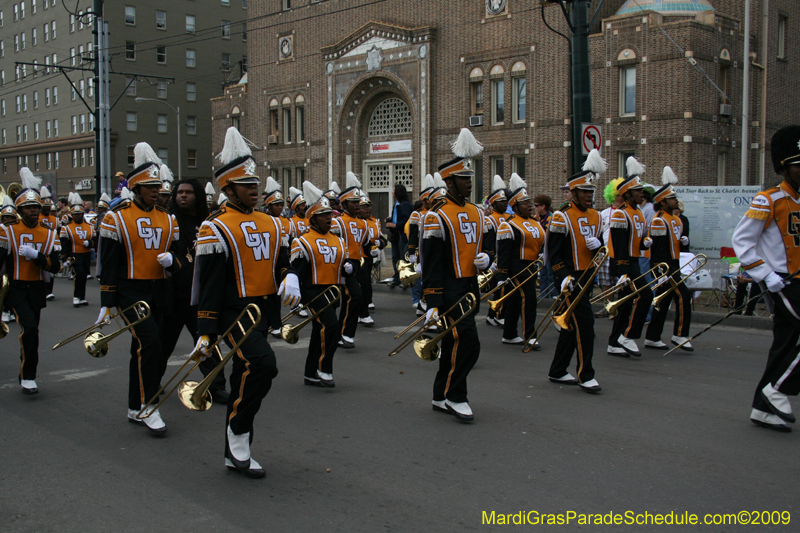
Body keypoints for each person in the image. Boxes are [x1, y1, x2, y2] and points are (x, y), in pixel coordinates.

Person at [195, 127, 297, 477]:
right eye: (246, 185)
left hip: (262, 312)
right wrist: (205, 331)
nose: (255, 189)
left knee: (245, 374)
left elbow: (281, 259)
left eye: (256, 184)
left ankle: (234, 447)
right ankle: (238, 433)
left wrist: (289, 274)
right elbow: (208, 285)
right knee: (264, 365)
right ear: (228, 189)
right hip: (231, 313)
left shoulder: (272, 222)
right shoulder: (215, 228)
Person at [98, 142, 182, 436]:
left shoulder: (168, 219)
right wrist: (107, 302)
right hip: (130, 291)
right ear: (136, 189)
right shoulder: (116, 217)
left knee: (143, 347)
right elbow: (107, 263)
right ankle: (149, 406)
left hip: (160, 290)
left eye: (158, 186)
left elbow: (182, 256)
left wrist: (173, 261)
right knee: (151, 344)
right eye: (150, 187)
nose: (156, 191)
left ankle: (135, 406)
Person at [732, 125, 800, 433]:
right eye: (799, 164)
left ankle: (763, 407)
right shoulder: (768, 200)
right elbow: (742, 242)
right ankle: (777, 391)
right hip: (781, 281)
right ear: (784, 167)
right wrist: (766, 274)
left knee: (785, 344)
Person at [421, 128, 490, 422]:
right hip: (448, 287)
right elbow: (431, 261)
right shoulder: (437, 214)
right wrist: (433, 301)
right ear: (449, 181)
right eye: (463, 179)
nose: (469, 183)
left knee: (453, 342)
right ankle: (455, 395)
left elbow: (485, 246)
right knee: (469, 342)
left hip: (469, 285)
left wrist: (488, 258)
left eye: (470, 178)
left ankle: (440, 394)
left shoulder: (477, 211)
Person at [158, 177, 229, 404]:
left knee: (207, 342)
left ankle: (215, 386)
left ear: (197, 196)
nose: (183, 196)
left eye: (188, 192)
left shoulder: (208, 224)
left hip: (199, 298)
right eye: (179, 192)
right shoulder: (168, 222)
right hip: (174, 295)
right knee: (162, 344)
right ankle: (151, 382)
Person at [546, 150, 606, 393]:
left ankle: (558, 370)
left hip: (588, 274)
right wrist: (563, 277)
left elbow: (602, 248)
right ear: (573, 193)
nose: (589, 196)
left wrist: (600, 245)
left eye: (591, 192)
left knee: (570, 326)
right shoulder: (562, 216)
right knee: (586, 324)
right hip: (572, 278)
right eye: (584, 192)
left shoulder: (597, 216)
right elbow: (553, 253)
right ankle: (585, 374)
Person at [0, 168, 61, 394]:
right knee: (30, 328)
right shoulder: (7, 231)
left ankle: (27, 371)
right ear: (20, 209)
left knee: (31, 332)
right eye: (28, 207)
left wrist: (38, 258)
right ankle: (28, 376)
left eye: (35, 207)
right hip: (15, 287)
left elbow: (56, 265)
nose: (33, 211)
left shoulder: (49, 233)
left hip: (36, 288)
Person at [292, 180, 352, 388]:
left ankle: (310, 373)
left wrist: (347, 268)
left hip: (332, 291)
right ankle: (324, 368)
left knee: (320, 333)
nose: (329, 218)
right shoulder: (302, 241)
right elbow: (297, 273)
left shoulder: (337, 239)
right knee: (331, 327)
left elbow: (342, 264)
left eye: (330, 215)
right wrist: (297, 299)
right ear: (313, 219)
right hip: (313, 293)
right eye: (324, 216)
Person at [606, 157, 654, 358]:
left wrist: (645, 243)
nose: (641, 193)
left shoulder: (638, 212)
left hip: (634, 260)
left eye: (641, 190)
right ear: (626, 193)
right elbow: (618, 244)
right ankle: (629, 335)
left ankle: (614, 342)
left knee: (625, 303)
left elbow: (638, 238)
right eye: (637, 190)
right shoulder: (620, 214)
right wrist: (623, 269)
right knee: (646, 295)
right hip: (623, 263)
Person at [644, 167, 693, 351]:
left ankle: (652, 336)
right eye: (672, 198)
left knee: (663, 300)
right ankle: (680, 334)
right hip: (664, 265)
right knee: (683, 295)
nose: (676, 201)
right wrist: (659, 270)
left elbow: (678, 244)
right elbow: (657, 249)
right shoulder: (659, 220)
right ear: (663, 202)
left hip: (674, 263)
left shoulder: (676, 220)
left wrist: (685, 242)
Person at [495, 174, 545, 349]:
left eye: (530, 203)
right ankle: (530, 335)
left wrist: (543, 254)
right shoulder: (508, 224)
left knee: (516, 301)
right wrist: (502, 275)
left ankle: (509, 334)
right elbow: (504, 252)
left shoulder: (535, 222)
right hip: (516, 266)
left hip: (532, 266)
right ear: (515, 206)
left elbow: (541, 242)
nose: (530, 206)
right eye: (525, 204)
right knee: (529, 299)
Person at [332, 172, 374, 348]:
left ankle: (342, 333)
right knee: (354, 296)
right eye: (353, 203)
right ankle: (344, 333)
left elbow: (365, 243)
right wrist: (343, 261)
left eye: (358, 202)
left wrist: (374, 248)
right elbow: (332, 243)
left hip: (356, 264)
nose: (357, 206)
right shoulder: (337, 222)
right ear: (344, 204)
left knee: (354, 296)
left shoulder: (363, 223)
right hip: (343, 264)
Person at [263, 177, 295, 338]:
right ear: (269, 205)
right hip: (264, 261)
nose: (280, 207)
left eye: (281, 204)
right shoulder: (264, 220)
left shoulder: (285, 221)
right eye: (276, 205)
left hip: (280, 259)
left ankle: (275, 323)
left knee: (275, 294)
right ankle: (269, 323)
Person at [60, 192, 95, 307]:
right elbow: (64, 244)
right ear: (72, 215)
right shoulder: (67, 228)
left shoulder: (90, 227)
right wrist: (65, 257)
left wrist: (89, 243)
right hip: (75, 254)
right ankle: (76, 296)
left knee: (84, 275)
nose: (77, 216)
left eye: (79, 214)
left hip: (86, 254)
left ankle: (82, 297)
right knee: (78, 274)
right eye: (75, 214)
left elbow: (96, 242)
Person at [407, 175, 435, 315]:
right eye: (429, 199)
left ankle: (423, 304)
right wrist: (412, 253)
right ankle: (420, 303)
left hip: (431, 250)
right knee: (422, 280)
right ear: (423, 201)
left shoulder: (435, 213)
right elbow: (413, 235)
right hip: (419, 251)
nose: (431, 202)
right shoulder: (416, 215)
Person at [596, 179, 624, 318]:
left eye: (621, 195)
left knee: (622, 282)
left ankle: (620, 307)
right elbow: (599, 233)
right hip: (607, 252)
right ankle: (607, 307)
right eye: (616, 195)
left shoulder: (627, 212)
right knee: (606, 282)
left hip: (622, 253)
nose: (619, 198)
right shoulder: (604, 214)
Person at [484, 175, 509, 328]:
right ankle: (496, 315)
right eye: (501, 202)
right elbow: (488, 243)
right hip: (496, 258)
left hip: (507, 256)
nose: (505, 204)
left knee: (504, 288)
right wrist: (493, 259)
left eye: (506, 201)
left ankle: (494, 315)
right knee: (499, 288)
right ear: (493, 204)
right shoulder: (489, 219)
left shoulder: (509, 217)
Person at [358, 194, 385, 326]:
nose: (367, 210)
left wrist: (379, 244)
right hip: (356, 257)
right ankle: (360, 312)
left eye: (368, 207)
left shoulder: (374, 221)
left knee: (366, 282)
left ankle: (366, 304)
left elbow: (381, 238)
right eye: (363, 207)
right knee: (360, 284)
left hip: (369, 256)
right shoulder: (356, 221)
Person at [385, 183, 413, 286]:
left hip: (403, 235)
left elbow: (406, 220)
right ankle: (396, 278)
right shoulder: (396, 204)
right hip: (395, 235)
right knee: (395, 257)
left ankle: (404, 279)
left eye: (394, 190)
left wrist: (394, 225)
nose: (392, 192)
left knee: (402, 258)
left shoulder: (406, 205)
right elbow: (396, 218)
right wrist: (389, 220)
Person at [39, 187, 59, 301]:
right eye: (44, 207)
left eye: (48, 207)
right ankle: (43, 289)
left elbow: (58, 232)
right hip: (41, 244)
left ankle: (49, 291)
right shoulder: (36, 217)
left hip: (52, 245)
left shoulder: (54, 219)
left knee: (51, 268)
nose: (47, 209)